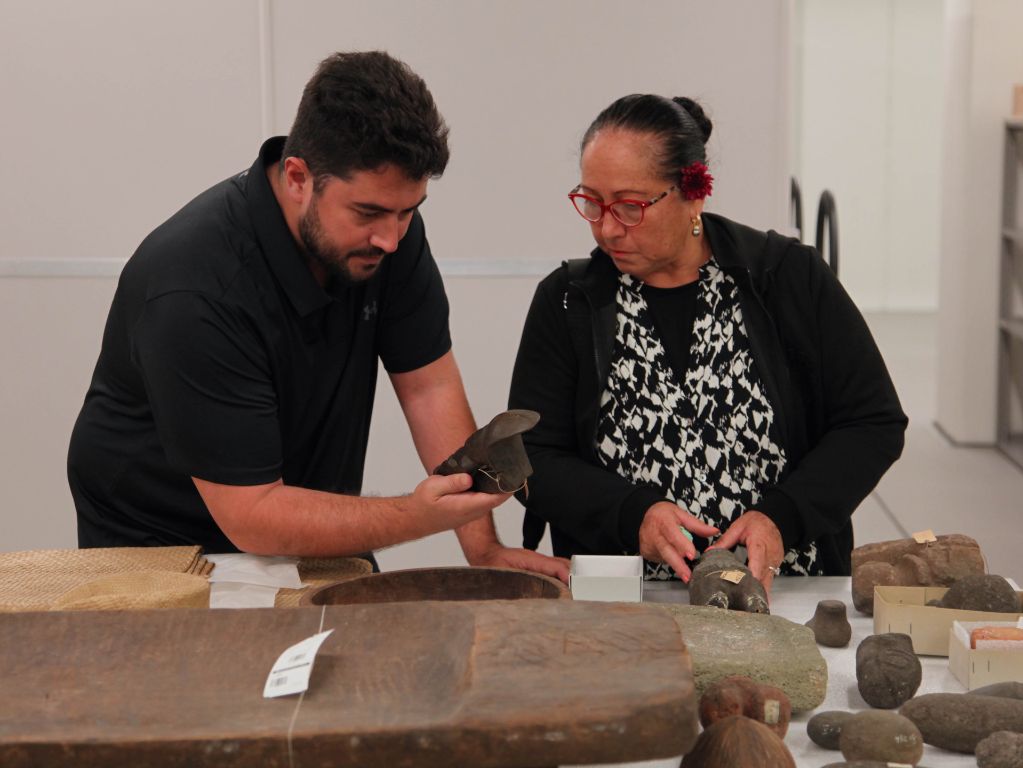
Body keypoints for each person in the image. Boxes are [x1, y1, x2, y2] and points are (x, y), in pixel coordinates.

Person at [67, 51, 567, 581]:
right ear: (298, 177)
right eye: (369, 213)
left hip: (289, 513)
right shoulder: (195, 288)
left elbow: (429, 387)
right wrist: (417, 516)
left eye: (409, 210)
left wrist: (483, 549)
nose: (392, 238)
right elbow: (254, 516)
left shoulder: (386, 238)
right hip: (159, 545)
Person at [508, 94, 906, 591]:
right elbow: (531, 456)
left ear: (694, 191)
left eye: (630, 207)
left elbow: (871, 422)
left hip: (784, 591)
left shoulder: (784, 279)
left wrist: (782, 517)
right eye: (591, 202)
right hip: (623, 599)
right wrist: (633, 514)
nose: (607, 229)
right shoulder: (568, 301)